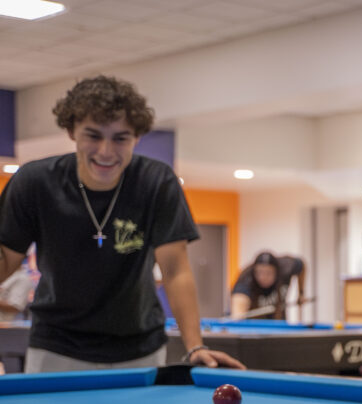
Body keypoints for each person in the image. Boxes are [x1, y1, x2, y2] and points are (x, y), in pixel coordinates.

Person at [0, 75, 243, 373]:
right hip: (56, 346)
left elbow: (175, 270)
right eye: (93, 135)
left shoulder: (156, 181)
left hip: (139, 349)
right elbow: (6, 261)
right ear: (72, 131)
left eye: (120, 138)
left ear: (137, 137)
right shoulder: (35, 182)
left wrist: (195, 346)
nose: (106, 151)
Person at [229, 251, 307, 320]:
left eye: (268, 273)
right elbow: (237, 314)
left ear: (276, 272)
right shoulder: (245, 280)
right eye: (260, 272)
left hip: (279, 321)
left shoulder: (287, 267)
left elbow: (302, 266)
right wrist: (238, 317)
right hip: (254, 327)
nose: (263, 277)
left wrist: (301, 293)